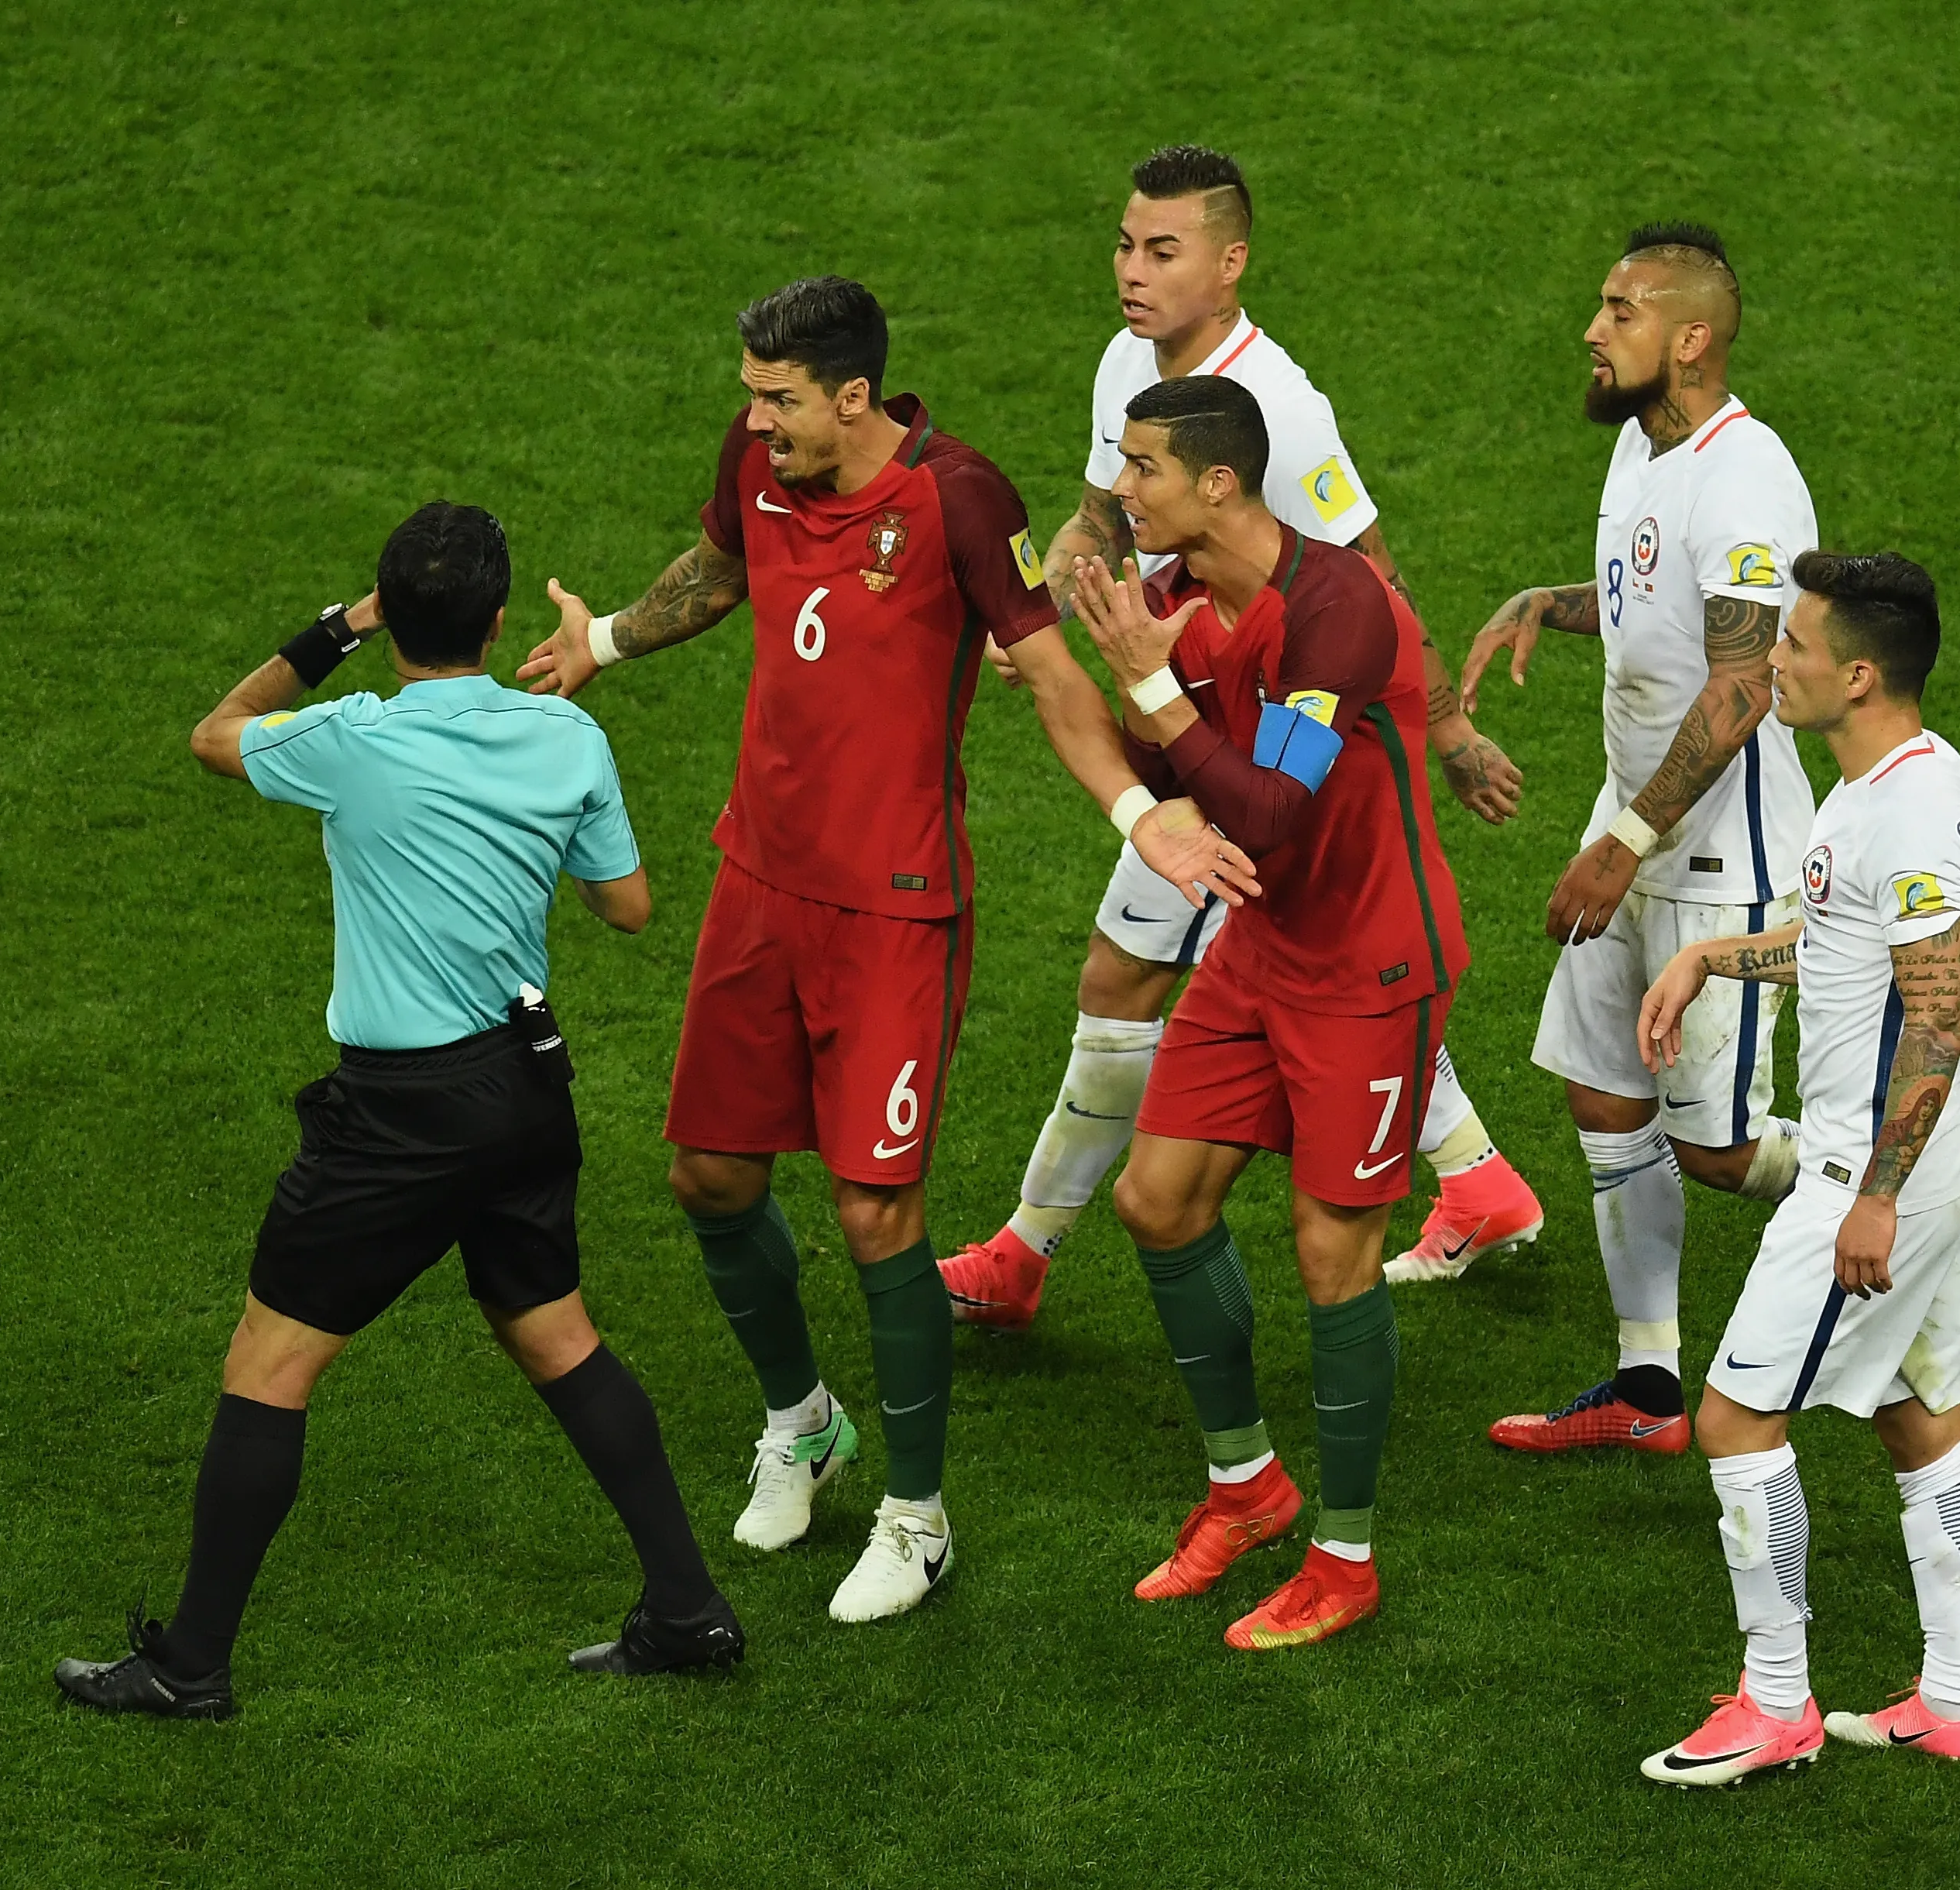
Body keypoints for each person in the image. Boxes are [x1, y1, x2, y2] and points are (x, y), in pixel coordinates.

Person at [519, 278, 1251, 1624]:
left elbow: (1042, 668)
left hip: (895, 910)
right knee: (711, 1176)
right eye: (750, 395)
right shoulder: (754, 463)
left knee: (875, 1210)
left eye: (779, 398)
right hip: (758, 884)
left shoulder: (958, 497)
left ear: (852, 396)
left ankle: (917, 1519)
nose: (756, 420)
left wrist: (1140, 811)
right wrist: (608, 642)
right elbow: (726, 571)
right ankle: (803, 1421)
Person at [56, 503, 736, 1719]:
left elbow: (216, 731)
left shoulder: (353, 741)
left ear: (396, 614)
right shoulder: (566, 735)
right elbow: (627, 907)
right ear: (495, 618)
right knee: (555, 1337)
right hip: (527, 1088)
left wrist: (334, 632)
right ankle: (686, 1611)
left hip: (400, 1116)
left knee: (269, 1365)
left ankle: (190, 1665)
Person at [941, 143, 1540, 1331]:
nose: (1131, 270)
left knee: (1216, 977)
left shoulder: (1281, 409)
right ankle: (1477, 1181)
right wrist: (1048, 614)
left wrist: (1450, 729)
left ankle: (1024, 1250)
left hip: (1261, 746)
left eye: (1162, 251)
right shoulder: (1129, 362)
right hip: (1189, 706)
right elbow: (1098, 516)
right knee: (1191, 976)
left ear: (1230, 262)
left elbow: (1364, 579)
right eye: (1124, 243)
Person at [1073, 376, 1467, 1649]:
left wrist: (1154, 689)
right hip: (1261, 950)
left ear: (1218, 484)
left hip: (1371, 968)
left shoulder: (1341, 610)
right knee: (1157, 1199)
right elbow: (1170, 774)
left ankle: (1344, 1563)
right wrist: (1123, 680)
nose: (1118, 490)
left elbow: (1272, 811)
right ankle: (1247, 1489)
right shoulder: (1183, 606)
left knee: (1331, 1252)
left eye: (1139, 469)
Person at [1635, 552, 1960, 1786]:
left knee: (1733, 1417)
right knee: (1916, 1413)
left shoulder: (1902, 810)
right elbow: (1839, 941)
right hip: (1929, 1147)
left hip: (1883, 1158)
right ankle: (1953, 1701)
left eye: (1789, 647)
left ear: (1856, 673)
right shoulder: (1884, 777)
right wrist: (1711, 958)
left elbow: (1933, 1017)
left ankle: (1774, 1700)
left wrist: (1874, 1199)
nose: (1769, 662)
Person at [1460, 223, 1818, 1455]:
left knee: (1718, 1151)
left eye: (1618, 309)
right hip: (1638, 829)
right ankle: (1648, 1386)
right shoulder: (1637, 447)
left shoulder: (1744, 473)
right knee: (1605, 1095)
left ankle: (1911, 1199)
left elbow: (1741, 684)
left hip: (1723, 853)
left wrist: (1620, 844)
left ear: (1690, 337)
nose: (1591, 328)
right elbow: (1645, 601)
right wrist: (1540, 604)